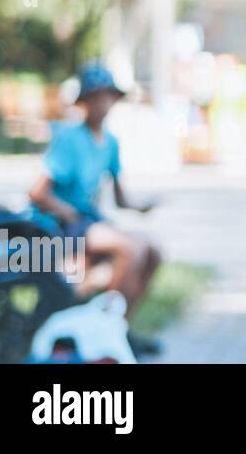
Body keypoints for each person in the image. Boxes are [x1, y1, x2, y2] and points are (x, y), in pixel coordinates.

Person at [27, 62, 163, 334]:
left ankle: (122, 328)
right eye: (96, 97)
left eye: (107, 96)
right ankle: (102, 328)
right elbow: (37, 192)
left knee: (152, 252)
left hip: (87, 220)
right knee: (130, 250)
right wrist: (67, 212)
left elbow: (121, 197)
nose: (102, 103)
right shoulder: (69, 138)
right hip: (59, 223)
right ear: (85, 102)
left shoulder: (110, 143)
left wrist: (142, 206)